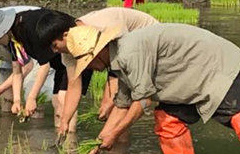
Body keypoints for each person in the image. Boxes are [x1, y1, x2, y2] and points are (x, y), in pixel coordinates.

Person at [66, 23, 240, 154]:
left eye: (89, 62)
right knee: (168, 121)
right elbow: (122, 105)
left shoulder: (129, 53)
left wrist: (115, 135)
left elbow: (144, 101)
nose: (91, 68)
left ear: (99, 51)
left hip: (213, 65)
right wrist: (99, 141)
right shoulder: (118, 61)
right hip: (185, 78)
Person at [42, 7, 159, 137]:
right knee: (118, 107)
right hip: (126, 57)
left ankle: (118, 146)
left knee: (120, 104)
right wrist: (65, 121)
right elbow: (74, 85)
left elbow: (119, 62)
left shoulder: (104, 25)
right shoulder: (70, 50)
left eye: (55, 45)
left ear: (65, 35)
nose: (54, 51)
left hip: (150, 43)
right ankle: (115, 144)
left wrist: (110, 100)